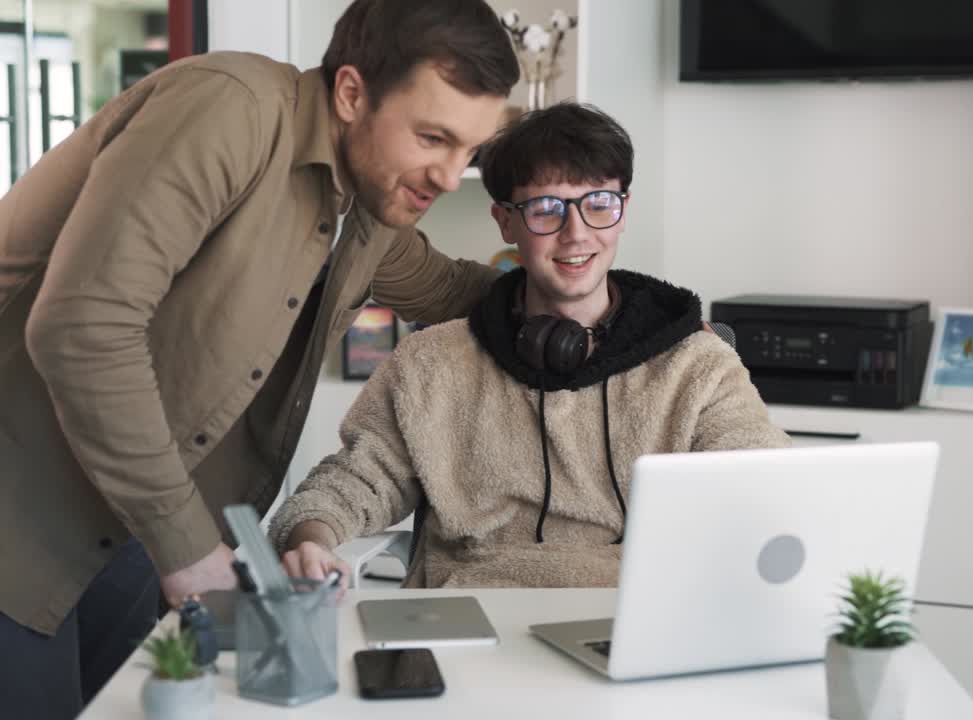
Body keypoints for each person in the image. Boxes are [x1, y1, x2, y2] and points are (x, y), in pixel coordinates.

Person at [0, 1, 519, 716]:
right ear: (350, 92)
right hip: (20, 505)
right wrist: (188, 549)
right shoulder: (230, 111)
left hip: (123, 527)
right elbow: (82, 325)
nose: (447, 173)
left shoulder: (366, 211)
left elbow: (459, 291)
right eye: (433, 136)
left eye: (472, 150)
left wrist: (621, 306)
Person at [269, 102, 791, 590]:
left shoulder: (695, 365)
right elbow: (356, 480)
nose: (576, 234)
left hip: (628, 613)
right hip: (469, 612)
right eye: (546, 209)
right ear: (506, 220)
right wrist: (310, 540)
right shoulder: (431, 364)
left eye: (598, 204)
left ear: (623, 210)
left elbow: (766, 488)